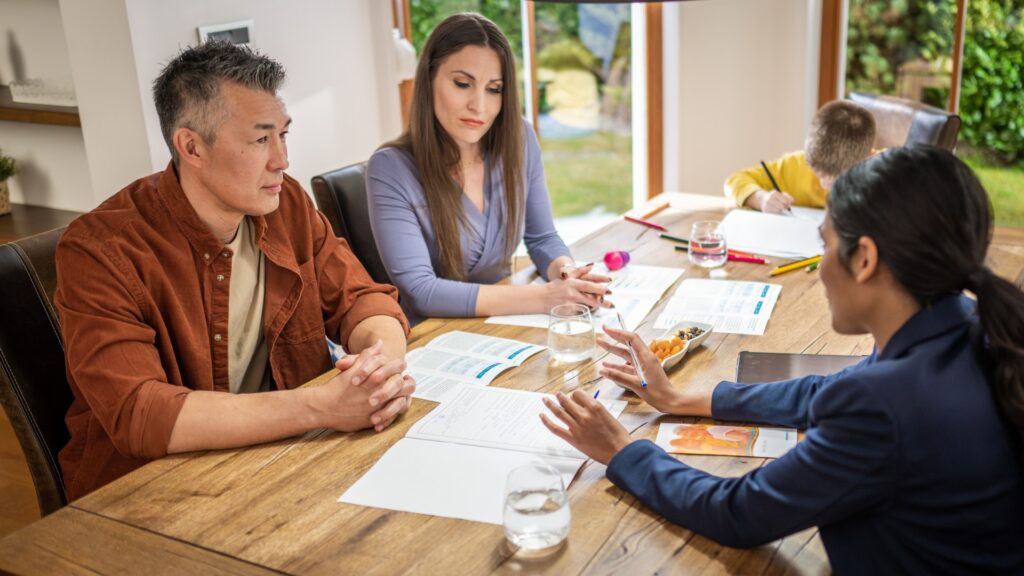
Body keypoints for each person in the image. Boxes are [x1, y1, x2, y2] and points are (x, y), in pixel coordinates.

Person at [541, 146, 1024, 573]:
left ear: (865, 259)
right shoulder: (963, 321)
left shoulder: (885, 405)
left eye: (825, 245)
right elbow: (826, 389)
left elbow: (738, 512)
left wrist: (623, 452)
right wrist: (681, 397)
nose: (820, 269)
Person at [55, 42, 415, 501]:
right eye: (261, 139)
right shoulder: (99, 251)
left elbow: (363, 300)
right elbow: (139, 412)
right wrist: (321, 407)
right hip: (154, 494)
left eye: (284, 135)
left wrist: (380, 368)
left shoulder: (287, 204)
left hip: (285, 463)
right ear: (192, 147)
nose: (282, 160)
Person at [366, 13, 610, 326]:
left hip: (504, 327)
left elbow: (542, 237)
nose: (479, 106)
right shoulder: (390, 169)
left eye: (494, 89)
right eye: (463, 84)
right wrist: (545, 297)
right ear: (429, 80)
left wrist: (566, 273)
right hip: (435, 338)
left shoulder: (519, 139)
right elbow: (420, 291)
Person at [724, 100, 876, 214]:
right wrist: (761, 199)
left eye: (837, 177)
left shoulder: (886, 172)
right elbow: (734, 181)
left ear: (869, 157)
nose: (824, 185)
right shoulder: (795, 166)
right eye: (818, 172)